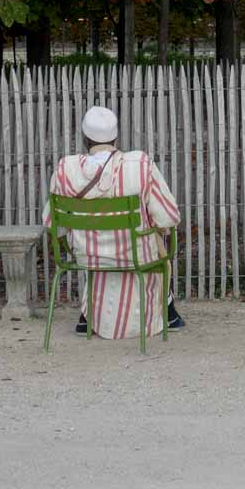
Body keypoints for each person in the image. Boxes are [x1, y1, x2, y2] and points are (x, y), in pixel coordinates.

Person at [43, 105, 186, 339]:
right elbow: (168, 216)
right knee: (158, 241)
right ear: (115, 136)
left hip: (88, 255)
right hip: (135, 255)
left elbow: (51, 222)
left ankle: (88, 318)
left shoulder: (65, 169)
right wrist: (158, 228)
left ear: (85, 138)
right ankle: (168, 313)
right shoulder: (139, 164)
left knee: (99, 247)